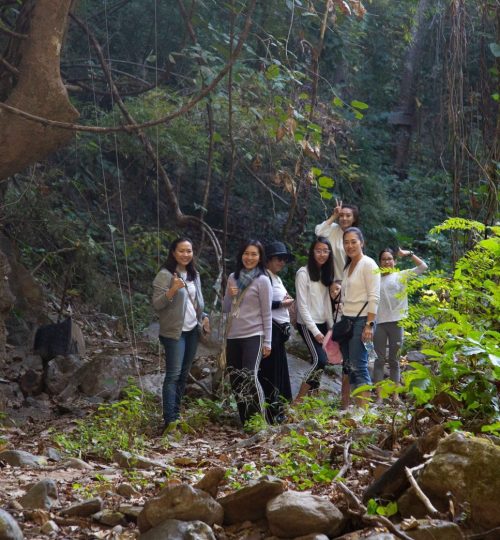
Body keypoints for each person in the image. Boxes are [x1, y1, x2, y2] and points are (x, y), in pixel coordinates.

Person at [152, 237, 210, 431]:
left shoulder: (194, 275)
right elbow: (157, 304)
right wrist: (173, 290)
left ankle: (176, 415)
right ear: (173, 253)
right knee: (173, 375)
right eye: (182, 251)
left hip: (192, 330)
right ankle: (169, 420)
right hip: (174, 333)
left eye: (189, 251)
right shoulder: (165, 274)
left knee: (184, 375)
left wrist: (205, 316)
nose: (186, 254)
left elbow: (198, 303)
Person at [223, 240, 273, 426]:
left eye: (254, 254)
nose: (249, 258)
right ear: (241, 255)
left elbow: (267, 313)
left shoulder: (263, 280)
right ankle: (246, 422)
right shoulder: (232, 277)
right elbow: (226, 308)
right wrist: (230, 294)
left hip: (254, 334)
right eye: (246, 254)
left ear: (260, 258)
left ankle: (261, 422)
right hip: (233, 336)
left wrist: (268, 341)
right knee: (236, 380)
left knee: (250, 376)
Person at [373, 248, 428, 395]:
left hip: (397, 322)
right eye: (384, 259)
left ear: (395, 261)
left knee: (394, 360)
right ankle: (379, 396)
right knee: (379, 360)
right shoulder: (374, 280)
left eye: (390, 258)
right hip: (379, 323)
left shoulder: (401, 275)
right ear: (380, 262)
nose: (387, 261)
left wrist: (409, 254)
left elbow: (423, 267)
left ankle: (395, 396)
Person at [340, 227, 380, 407]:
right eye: (346, 242)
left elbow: (374, 297)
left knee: (359, 365)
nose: (350, 246)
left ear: (362, 243)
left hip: (363, 320)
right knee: (349, 367)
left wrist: (369, 325)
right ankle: (357, 407)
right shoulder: (348, 267)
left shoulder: (369, 264)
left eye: (353, 241)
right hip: (347, 321)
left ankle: (363, 411)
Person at [294, 236, 334, 402]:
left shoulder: (326, 273)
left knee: (320, 362)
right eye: (318, 251)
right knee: (320, 360)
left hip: (323, 323)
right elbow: (302, 306)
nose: (322, 254)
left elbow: (326, 303)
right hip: (307, 324)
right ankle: (298, 400)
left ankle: (312, 398)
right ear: (312, 252)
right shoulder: (303, 273)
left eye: (325, 251)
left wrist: (331, 327)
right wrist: (316, 332)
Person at [259, 241, 294, 423]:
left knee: (278, 372)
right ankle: (271, 413)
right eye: (279, 259)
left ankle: (277, 410)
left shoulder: (276, 277)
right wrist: (281, 304)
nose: (282, 262)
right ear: (269, 260)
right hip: (271, 329)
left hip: (280, 330)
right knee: (270, 373)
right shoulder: (264, 277)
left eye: (284, 259)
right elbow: (260, 304)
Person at [315, 198, 360, 281]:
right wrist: (334, 216)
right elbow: (318, 232)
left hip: (348, 280)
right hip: (328, 280)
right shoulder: (333, 228)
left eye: (348, 215)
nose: (344, 218)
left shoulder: (356, 237)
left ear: (354, 219)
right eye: (341, 215)